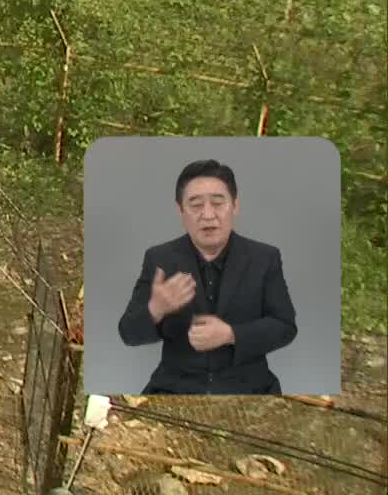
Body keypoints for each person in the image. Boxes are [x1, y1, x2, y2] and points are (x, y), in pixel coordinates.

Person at [116, 159, 297, 394]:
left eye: (218, 203)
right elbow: (128, 333)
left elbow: (285, 326)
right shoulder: (160, 258)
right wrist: (156, 308)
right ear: (180, 211)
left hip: (249, 388)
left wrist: (231, 334)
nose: (208, 215)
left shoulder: (264, 258)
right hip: (175, 388)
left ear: (235, 205)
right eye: (196, 204)